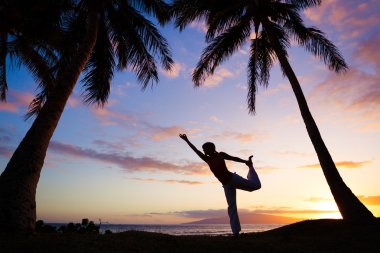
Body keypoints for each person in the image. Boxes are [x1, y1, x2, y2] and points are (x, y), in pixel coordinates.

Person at [179, 133, 261, 238]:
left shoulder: (221, 155)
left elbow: (233, 158)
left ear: (211, 148)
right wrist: (186, 140)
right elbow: (195, 150)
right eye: (203, 150)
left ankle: (251, 168)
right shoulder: (206, 159)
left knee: (256, 186)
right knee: (231, 207)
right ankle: (235, 232)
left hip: (233, 179)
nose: (204, 151)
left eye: (205, 149)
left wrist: (246, 162)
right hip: (226, 185)